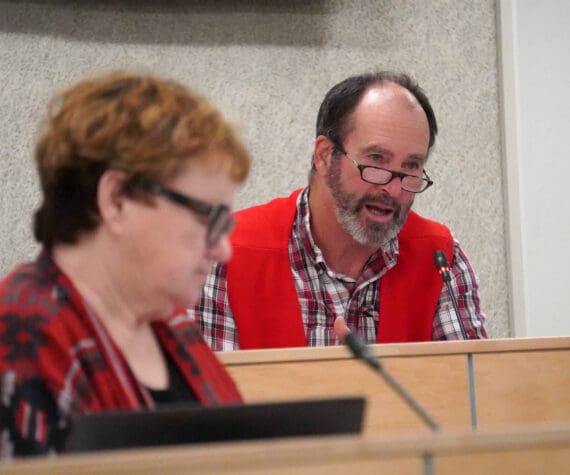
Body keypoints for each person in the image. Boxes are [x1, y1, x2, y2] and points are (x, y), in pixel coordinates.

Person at [0, 71, 250, 457]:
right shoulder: (20, 333)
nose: (223, 250)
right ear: (116, 199)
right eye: (209, 218)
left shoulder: (174, 325)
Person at [190, 71, 487, 351]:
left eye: (410, 166)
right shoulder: (224, 254)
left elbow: (473, 392)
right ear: (324, 156)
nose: (393, 190)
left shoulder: (441, 260)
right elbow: (209, 399)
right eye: (376, 160)